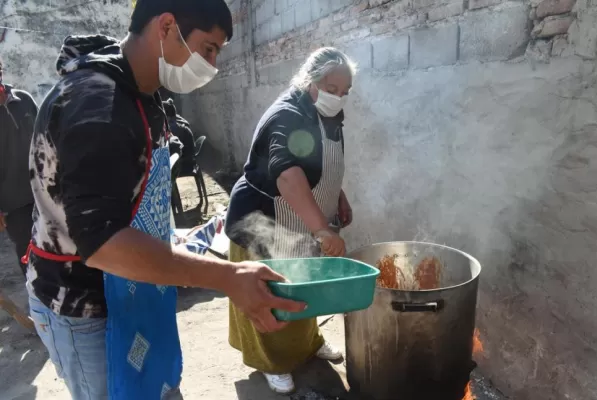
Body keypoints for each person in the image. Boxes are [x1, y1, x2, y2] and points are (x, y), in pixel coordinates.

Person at [25, 1, 304, 399]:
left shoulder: (141, 93)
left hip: (139, 286)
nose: (212, 64)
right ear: (168, 26)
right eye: (209, 48)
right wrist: (226, 276)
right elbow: (103, 243)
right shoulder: (96, 105)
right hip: (87, 306)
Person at [225, 47, 356, 394]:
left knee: (304, 288)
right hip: (264, 219)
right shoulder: (288, 115)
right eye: (331, 88)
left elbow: (325, 166)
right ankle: (271, 363)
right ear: (310, 80)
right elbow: (288, 177)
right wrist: (322, 229)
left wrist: (337, 197)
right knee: (269, 293)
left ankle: (309, 344)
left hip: (303, 218)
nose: (338, 98)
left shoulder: (328, 114)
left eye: (344, 92)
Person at [0, 58, 38, 277]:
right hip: (15, 206)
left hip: (44, 192)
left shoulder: (24, 100)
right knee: (30, 259)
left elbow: (45, 136)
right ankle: (37, 305)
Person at [163, 98, 196, 175]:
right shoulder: (181, 122)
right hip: (189, 164)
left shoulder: (171, 128)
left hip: (182, 168)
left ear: (166, 116)